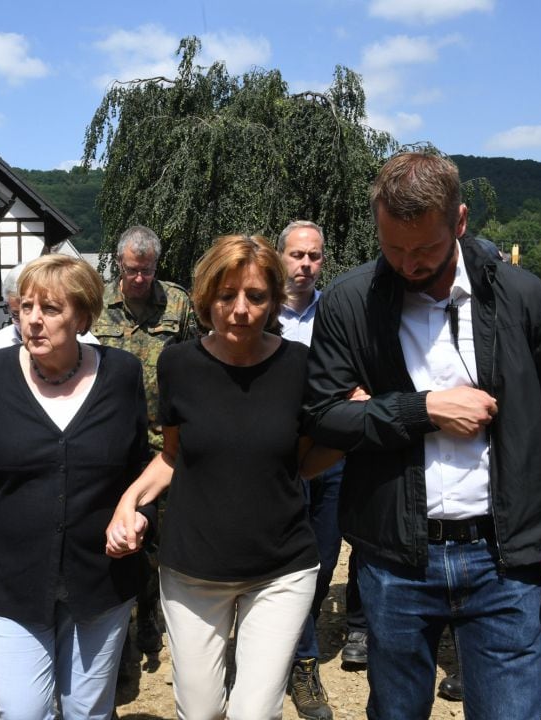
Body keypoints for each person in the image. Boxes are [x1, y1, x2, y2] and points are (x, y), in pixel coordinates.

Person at [302, 151, 541, 719]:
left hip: (506, 560)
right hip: (394, 560)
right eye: (393, 249)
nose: (408, 265)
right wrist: (424, 409)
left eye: (425, 250)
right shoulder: (349, 302)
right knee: (396, 711)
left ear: (459, 222)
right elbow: (322, 417)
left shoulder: (525, 296)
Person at [108, 235, 340, 719]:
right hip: (193, 571)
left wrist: (352, 432)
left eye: (255, 297)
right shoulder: (178, 364)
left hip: (281, 569)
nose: (240, 310)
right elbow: (172, 456)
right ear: (204, 299)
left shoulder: (300, 366)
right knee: (201, 711)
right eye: (225, 295)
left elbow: (297, 462)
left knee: (254, 713)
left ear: (274, 300)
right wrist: (129, 500)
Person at [0, 254, 155, 720]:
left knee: (87, 711)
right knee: (25, 712)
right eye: (26, 307)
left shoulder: (121, 375)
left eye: (51, 309)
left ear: (82, 316)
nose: (33, 320)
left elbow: (140, 466)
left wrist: (140, 516)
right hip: (12, 579)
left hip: (101, 578)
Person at [276, 220, 367, 720]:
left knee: (326, 557)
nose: (305, 264)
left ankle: (291, 638)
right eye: (297, 255)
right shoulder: (261, 311)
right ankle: (303, 661)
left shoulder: (338, 312)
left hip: (330, 453)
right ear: (280, 257)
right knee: (294, 557)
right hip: (280, 454)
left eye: (313, 256)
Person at [92, 225, 196, 661]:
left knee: (157, 536)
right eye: (133, 270)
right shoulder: (97, 304)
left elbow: (195, 362)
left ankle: (150, 610)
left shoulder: (177, 302)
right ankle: (114, 615)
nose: (140, 279)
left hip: (162, 442)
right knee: (112, 529)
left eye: (147, 270)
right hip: (108, 441)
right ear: (120, 264)